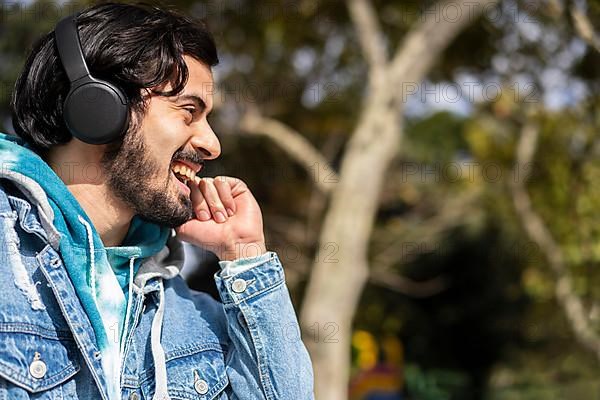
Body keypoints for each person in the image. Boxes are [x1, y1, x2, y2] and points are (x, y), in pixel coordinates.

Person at [0, 2, 314, 399]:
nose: (212, 144)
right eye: (188, 110)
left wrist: (244, 253)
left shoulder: (192, 315)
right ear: (99, 106)